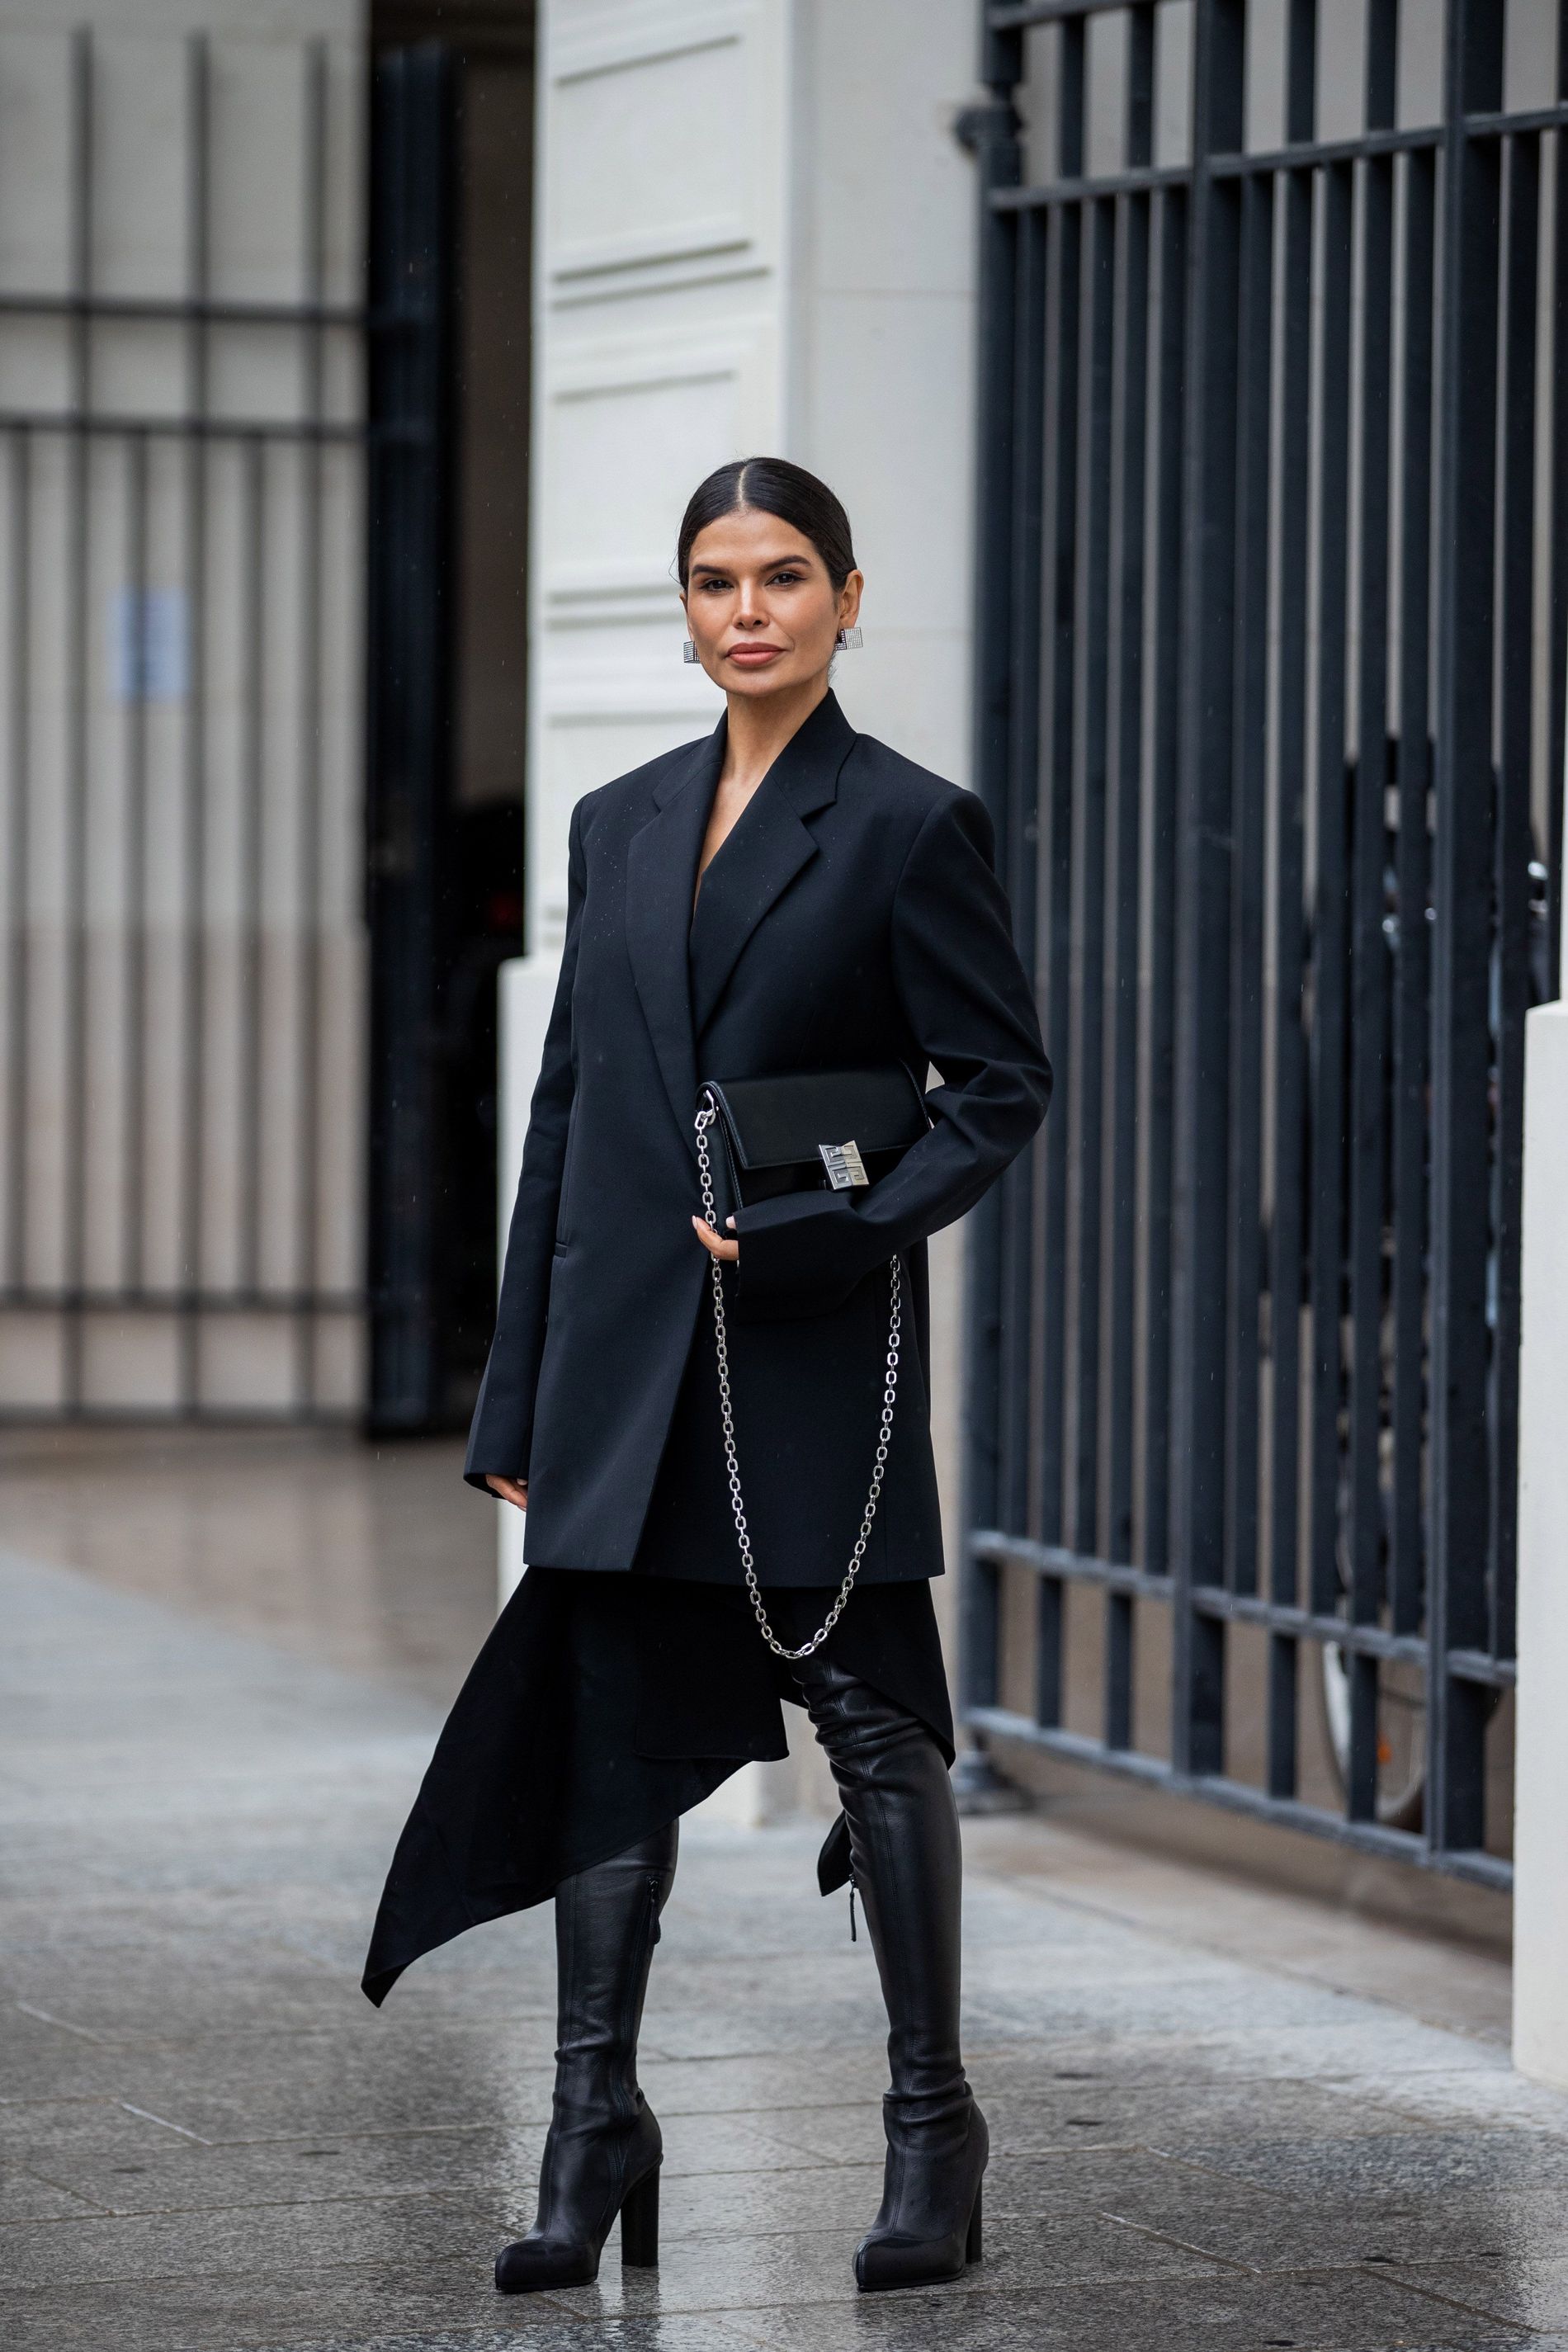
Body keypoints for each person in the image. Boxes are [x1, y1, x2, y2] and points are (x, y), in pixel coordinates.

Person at [361, 456, 1051, 2296]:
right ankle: (592, 2124)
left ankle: (931, 2133)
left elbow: (995, 1087)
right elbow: (568, 1110)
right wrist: (514, 1396)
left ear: (843, 598)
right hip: (614, 1365)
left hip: (806, 1352)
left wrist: (844, 1233)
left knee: (872, 1725)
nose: (746, 607)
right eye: (713, 579)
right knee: (609, 1739)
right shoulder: (611, 819)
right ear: (681, 611)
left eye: (782, 576)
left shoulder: (909, 824)